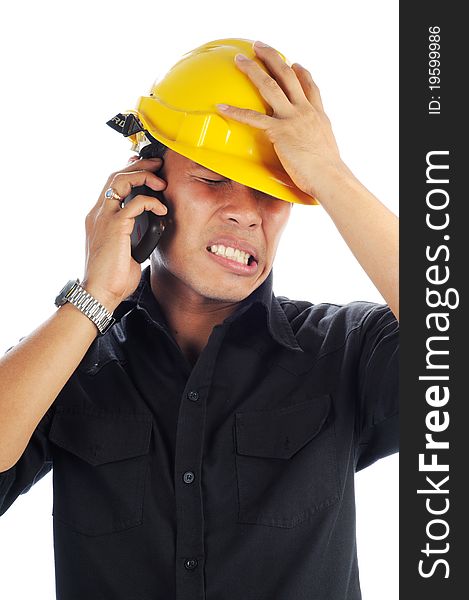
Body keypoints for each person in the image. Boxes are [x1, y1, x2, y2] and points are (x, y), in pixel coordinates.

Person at [0, 38, 398, 599]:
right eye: (213, 178)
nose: (246, 211)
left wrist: (329, 175)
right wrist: (96, 294)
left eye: (273, 191)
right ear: (147, 186)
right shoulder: (69, 360)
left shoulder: (347, 350)